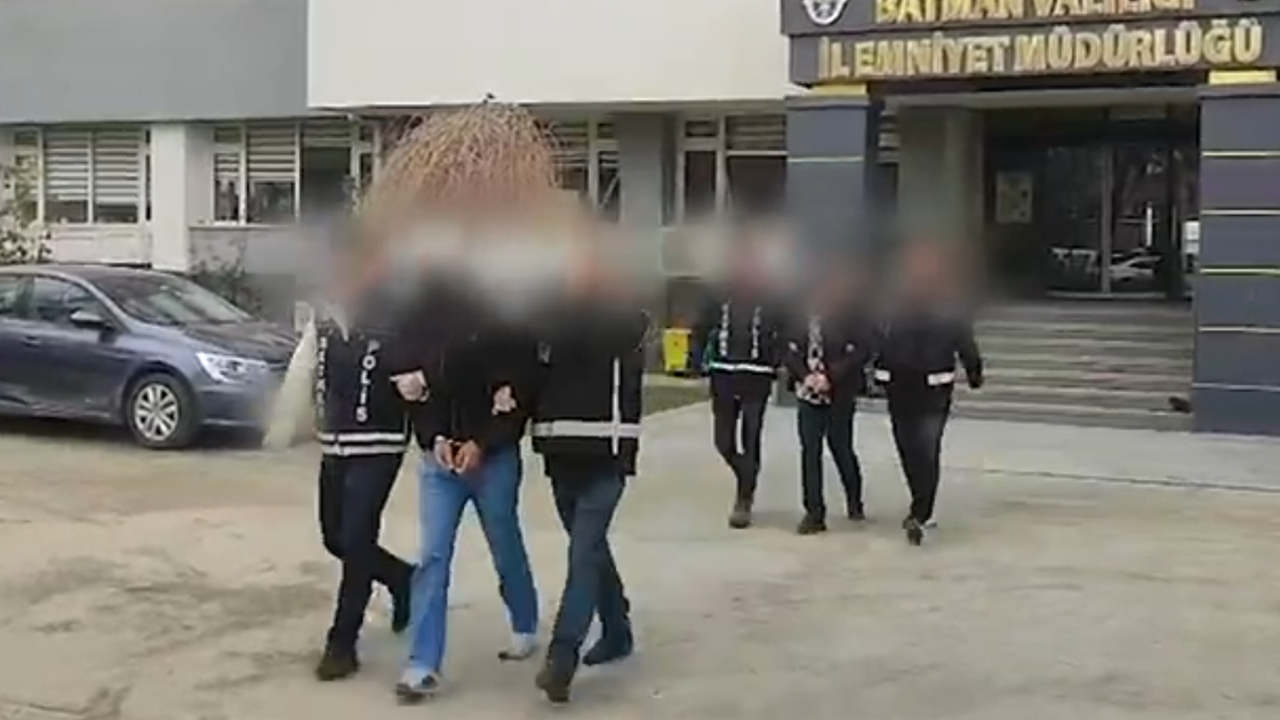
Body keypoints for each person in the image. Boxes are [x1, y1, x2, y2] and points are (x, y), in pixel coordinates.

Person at [387, 278, 542, 703]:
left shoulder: (507, 317)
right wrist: (434, 437)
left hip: (493, 458)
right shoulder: (422, 319)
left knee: (503, 542)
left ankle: (524, 619)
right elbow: (415, 391)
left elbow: (519, 391)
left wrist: (483, 442)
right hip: (440, 460)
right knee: (433, 556)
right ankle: (422, 664)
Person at [526, 252, 648, 704]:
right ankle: (617, 628)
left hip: (605, 455)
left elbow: (624, 329)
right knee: (590, 548)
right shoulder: (549, 316)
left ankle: (562, 657)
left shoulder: (619, 319)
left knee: (582, 553)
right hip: (560, 452)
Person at [306, 271, 416, 682]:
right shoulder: (324, 313)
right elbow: (311, 368)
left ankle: (342, 644)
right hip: (335, 440)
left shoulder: (394, 308)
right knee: (334, 536)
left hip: (380, 441)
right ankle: (401, 577)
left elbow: (418, 363)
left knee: (356, 540)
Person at [872, 243, 983, 546]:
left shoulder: (950, 307)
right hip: (900, 388)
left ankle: (920, 512)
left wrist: (974, 371)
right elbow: (879, 340)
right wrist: (878, 373)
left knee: (927, 447)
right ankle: (919, 500)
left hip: (934, 389)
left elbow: (965, 341)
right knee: (907, 448)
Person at [691, 243, 784, 529]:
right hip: (724, 375)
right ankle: (747, 475)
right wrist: (696, 359)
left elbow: (785, 331)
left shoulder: (771, 298)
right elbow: (700, 328)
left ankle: (744, 499)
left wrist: (777, 360)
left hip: (757, 375)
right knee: (723, 442)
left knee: (751, 435)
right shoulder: (718, 295)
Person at [783, 262, 874, 534]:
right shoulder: (799, 313)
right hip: (808, 389)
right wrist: (804, 375)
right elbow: (787, 348)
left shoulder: (852, 313)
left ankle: (854, 500)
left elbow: (863, 350)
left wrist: (831, 375)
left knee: (840, 447)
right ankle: (814, 512)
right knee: (810, 449)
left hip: (840, 390)